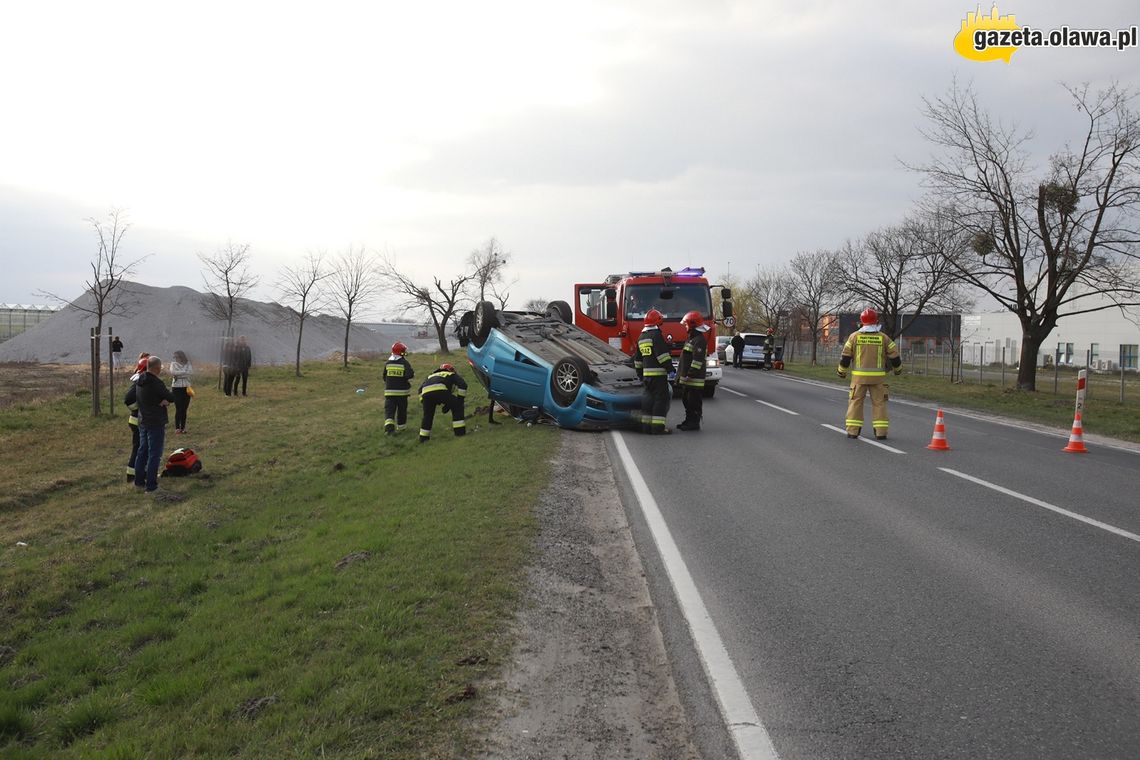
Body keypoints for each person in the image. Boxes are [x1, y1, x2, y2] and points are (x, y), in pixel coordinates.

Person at [837, 307, 902, 440]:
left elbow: (845, 357)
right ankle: (881, 433)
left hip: (858, 379)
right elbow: (895, 356)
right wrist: (898, 370)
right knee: (879, 404)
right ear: (876, 321)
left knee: (855, 403)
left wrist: (841, 372)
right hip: (878, 380)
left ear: (861, 321)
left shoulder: (854, 337)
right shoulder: (884, 338)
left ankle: (853, 432)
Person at [133, 355, 175, 493]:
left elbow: (146, 398)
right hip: (155, 421)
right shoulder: (156, 383)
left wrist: (159, 400)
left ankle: (139, 481)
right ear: (157, 368)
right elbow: (170, 397)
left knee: (142, 451)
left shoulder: (139, 380)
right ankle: (151, 486)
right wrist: (164, 401)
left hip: (142, 419)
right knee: (154, 454)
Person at [633, 308, 674, 434]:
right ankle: (657, 428)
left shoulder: (641, 337)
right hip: (659, 376)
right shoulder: (656, 336)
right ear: (657, 322)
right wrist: (670, 369)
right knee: (660, 400)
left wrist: (640, 375)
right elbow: (662, 356)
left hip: (647, 377)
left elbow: (638, 360)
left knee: (648, 400)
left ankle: (646, 427)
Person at [676, 310, 709, 431]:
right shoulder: (692, 339)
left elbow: (697, 361)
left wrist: (689, 374)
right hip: (688, 379)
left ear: (692, 325)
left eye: (686, 324)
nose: (685, 326)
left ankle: (694, 423)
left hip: (694, 379)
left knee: (694, 401)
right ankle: (688, 420)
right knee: (687, 400)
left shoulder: (699, 340)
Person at [418, 363, 468, 443]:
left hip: (426, 394)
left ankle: (423, 438)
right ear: (450, 370)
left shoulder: (430, 376)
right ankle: (460, 433)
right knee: (457, 407)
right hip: (441, 391)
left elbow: (420, 390)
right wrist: (460, 400)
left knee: (428, 416)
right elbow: (463, 385)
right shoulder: (450, 374)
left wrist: (423, 401)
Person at [123, 354, 149, 482]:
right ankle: (132, 475)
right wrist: (137, 409)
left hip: (137, 419)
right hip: (137, 420)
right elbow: (128, 399)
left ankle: (137, 473)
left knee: (141, 447)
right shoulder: (140, 380)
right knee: (139, 448)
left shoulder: (142, 378)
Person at [383, 342, 415, 435]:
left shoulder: (388, 363)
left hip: (389, 393)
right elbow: (410, 374)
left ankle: (389, 430)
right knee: (401, 411)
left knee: (389, 412)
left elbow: (384, 377)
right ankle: (401, 428)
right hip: (402, 393)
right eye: (403, 351)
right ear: (401, 352)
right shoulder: (404, 362)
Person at [169, 350, 193, 434]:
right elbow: (172, 372)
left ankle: (183, 427)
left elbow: (190, 372)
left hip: (186, 387)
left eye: (177, 357)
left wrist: (179, 374)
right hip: (176, 387)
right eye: (174, 357)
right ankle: (177, 428)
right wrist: (184, 373)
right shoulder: (173, 364)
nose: (175, 359)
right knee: (178, 408)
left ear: (181, 357)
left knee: (184, 408)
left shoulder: (188, 363)